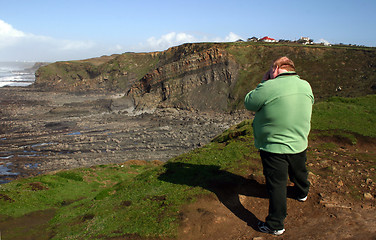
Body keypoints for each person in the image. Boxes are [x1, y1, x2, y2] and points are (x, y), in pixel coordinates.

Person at [244, 56, 314, 235]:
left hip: (274, 145)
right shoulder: (306, 85)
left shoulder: (269, 86)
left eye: (270, 70)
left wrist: (263, 81)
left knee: (276, 184)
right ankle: (301, 192)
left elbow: (249, 102)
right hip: (299, 140)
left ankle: (275, 224)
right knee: (299, 170)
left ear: (275, 70)